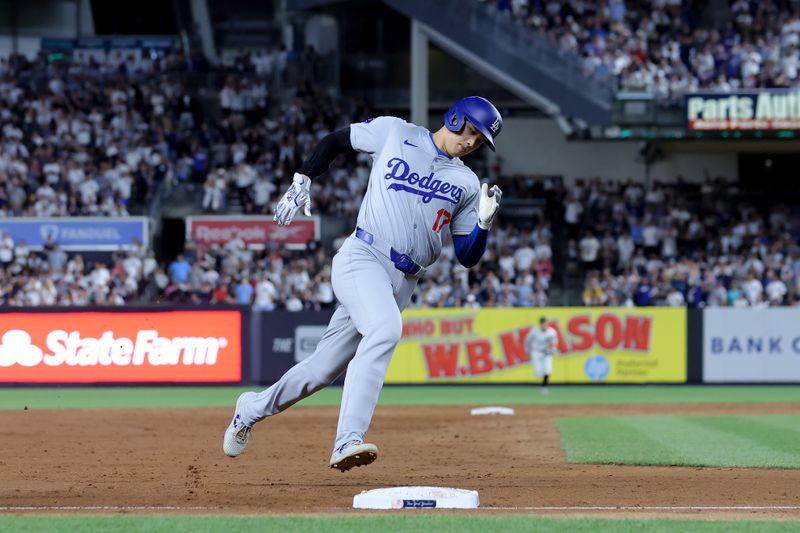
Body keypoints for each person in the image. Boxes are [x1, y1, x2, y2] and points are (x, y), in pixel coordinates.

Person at [223, 96, 504, 471]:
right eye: (470, 130)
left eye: (480, 140)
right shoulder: (396, 132)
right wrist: (304, 177)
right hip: (364, 256)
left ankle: (250, 409)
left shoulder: (467, 182)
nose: (472, 142)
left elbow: (467, 256)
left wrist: (483, 226)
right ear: (454, 117)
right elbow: (337, 141)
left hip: (404, 281)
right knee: (387, 329)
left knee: (320, 372)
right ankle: (348, 439)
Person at [524, 317, 558, 395]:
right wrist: (527, 352)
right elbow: (527, 341)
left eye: (547, 323)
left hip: (546, 352)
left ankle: (544, 387)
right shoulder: (534, 332)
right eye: (544, 324)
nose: (545, 325)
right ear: (540, 324)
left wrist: (553, 349)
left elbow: (554, 343)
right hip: (536, 352)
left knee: (547, 370)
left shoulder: (551, 332)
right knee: (538, 373)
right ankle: (539, 384)